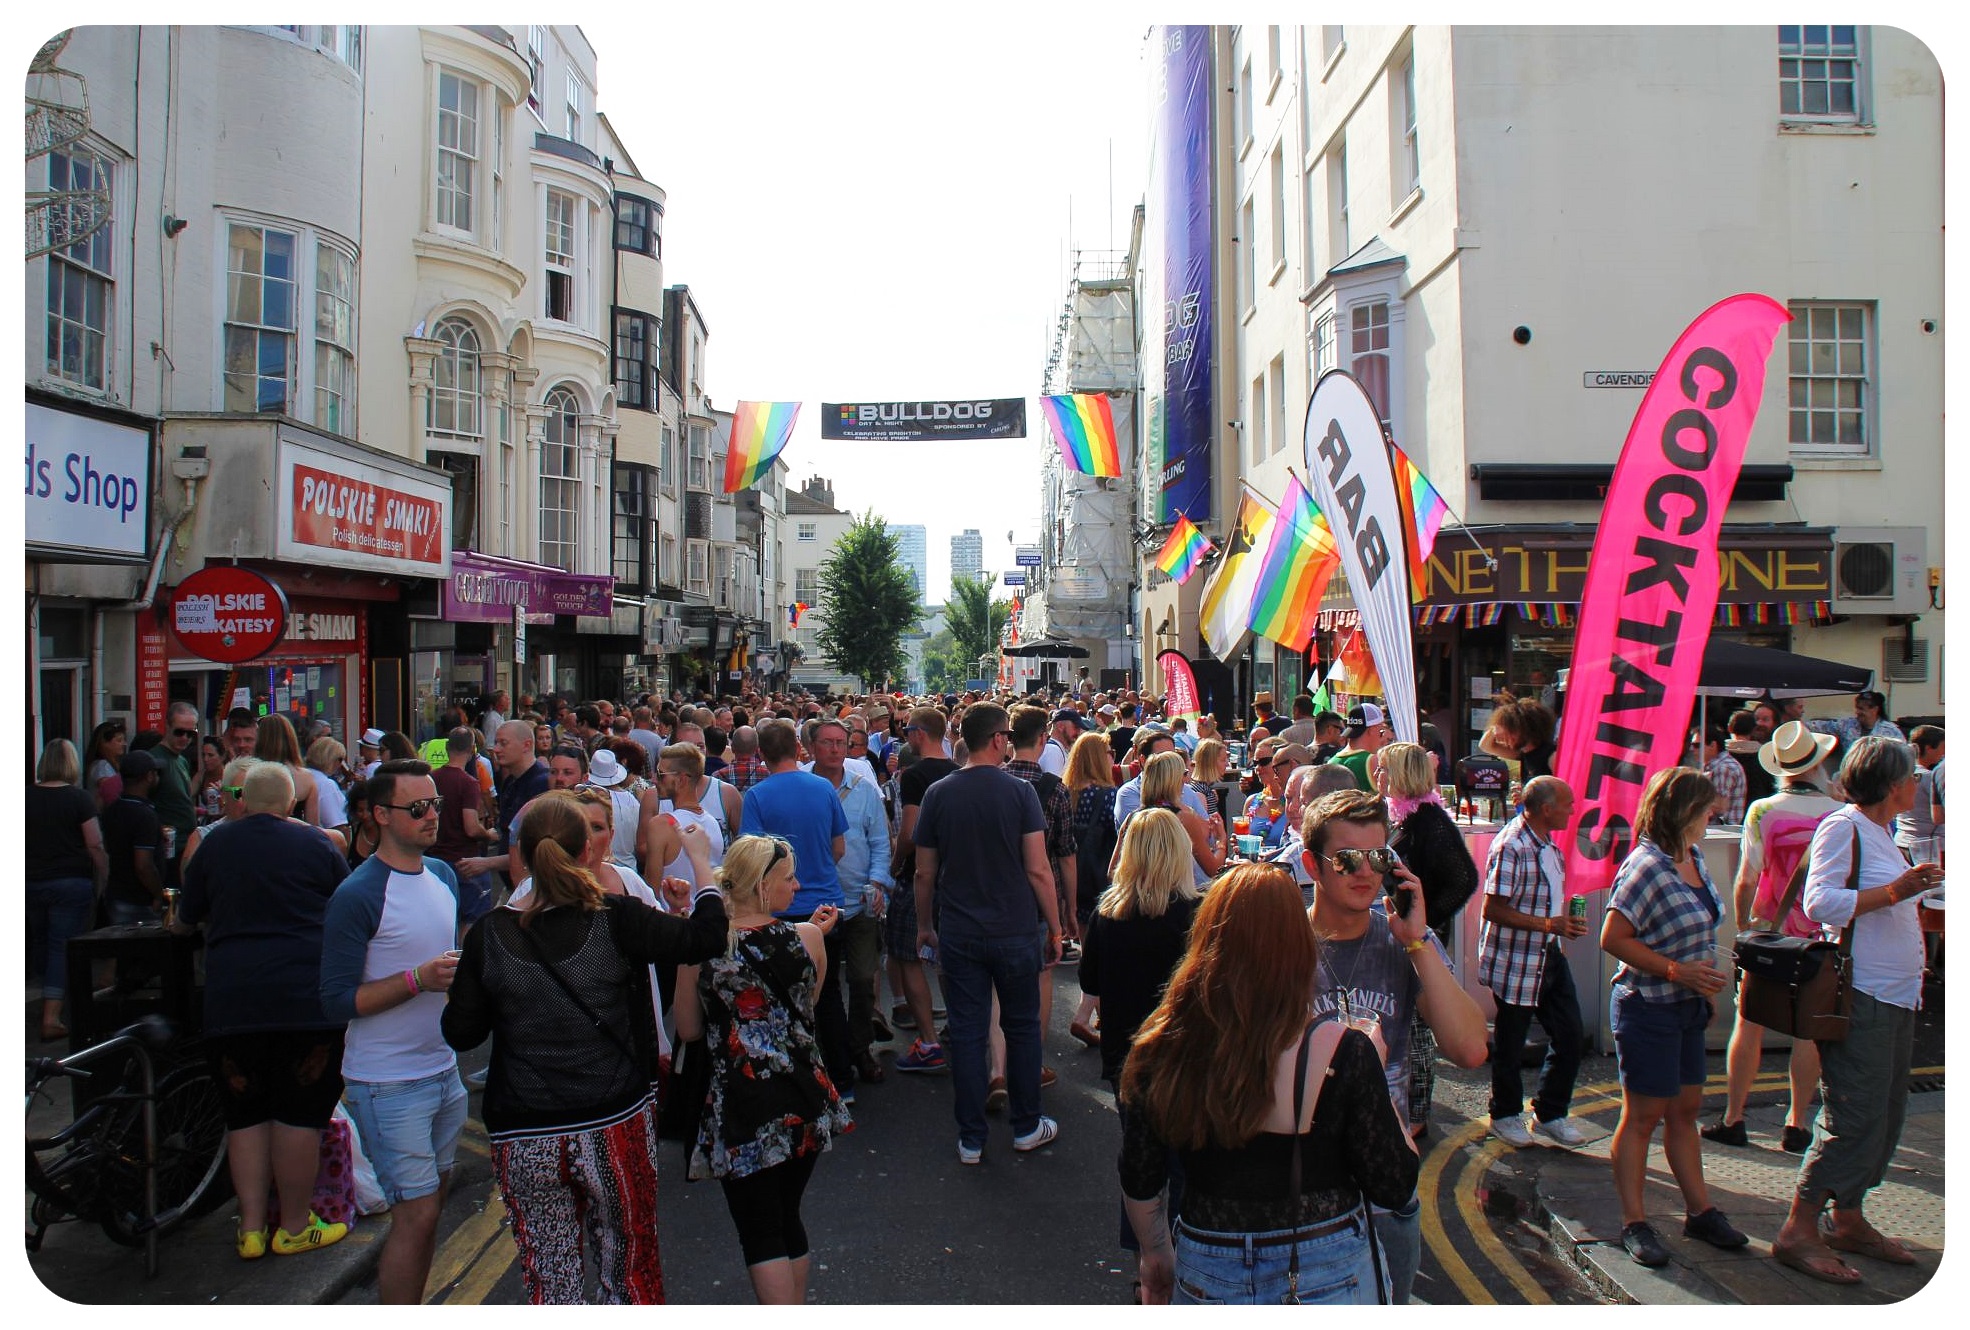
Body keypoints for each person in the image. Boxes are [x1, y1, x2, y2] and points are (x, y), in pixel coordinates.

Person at [441, 793, 728, 1304]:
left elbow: (461, 1033)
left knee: (551, 1275)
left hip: (525, 1129)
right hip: (612, 1119)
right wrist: (702, 862)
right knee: (629, 1265)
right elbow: (705, 938)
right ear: (585, 852)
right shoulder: (616, 918)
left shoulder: (490, 934)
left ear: (524, 856)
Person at [1120, 863, 1418, 1305]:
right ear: (1300, 949)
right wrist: (1378, 1076)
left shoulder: (1164, 1046)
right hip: (1327, 1267)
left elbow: (1142, 1177)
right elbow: (1394, 1185)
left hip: (1207, 1263)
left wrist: (1156, 1256)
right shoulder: (1345, 1052)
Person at [1300, 787, 1488, 1301]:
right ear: (1311, 865)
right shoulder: (1282, 941)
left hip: (1386, 1195)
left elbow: (1471, 1049)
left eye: (1378, 857)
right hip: (1301, 1194)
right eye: (1347, 859)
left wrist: (1418, 940)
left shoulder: (1403, 942)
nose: (1365, 871)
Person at [1768, 738, 1939, 1285]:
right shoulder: (1844, 827)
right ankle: (1799, 1229)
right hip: (1860, 992)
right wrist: (1896, 891)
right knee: (1853, 1113)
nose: (1919, 784)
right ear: (1894, 785)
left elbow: (1885, 902)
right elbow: (1819, 904)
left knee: (1885, 1114)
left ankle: (1848, 1217)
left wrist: (1915, 898)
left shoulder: (1881, 833)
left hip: (1893, 992)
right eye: (1913, 776)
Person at [178, 761, 351, 1259]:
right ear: (291, 803)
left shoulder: (213, 846)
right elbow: (344, 912)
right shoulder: (318, 845)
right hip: (304, 1003)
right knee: (298, 1115)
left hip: (232, 1002)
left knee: (245, 1115)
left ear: (244, 800)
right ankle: (294, 1225)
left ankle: (250, 1228)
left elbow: (185, 920)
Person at [672, 836, 853, 1304]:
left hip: (742, 1100)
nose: (797, 885)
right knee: (787, 1216)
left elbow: (688, 1029)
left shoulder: (704, 944)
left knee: (759, 1230)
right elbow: (805, 1009)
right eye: (788, 878)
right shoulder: (808, 938)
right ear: (763, 885)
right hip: (805, 1094)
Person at [318, 759, 466, 1304]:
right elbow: (336, 1000)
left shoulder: (444, 877)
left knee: (428, 1213)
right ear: (380, 815)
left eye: (436, 807)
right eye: (418, 808)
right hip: (386, 1082)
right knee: (418, 1211)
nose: (432, 818)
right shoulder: (357, 896)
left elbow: (448, 968)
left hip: (443, 1070)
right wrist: (416, 979)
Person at [1599, 766, 1749, 1267]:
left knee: (1684, 1111)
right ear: (1686, 810)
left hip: (1685, 1006)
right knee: (1642, 1116)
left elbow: (1703, 927)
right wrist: (1675, 971)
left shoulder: (1694, 855)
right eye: (1708, 805)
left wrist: (1699, 985)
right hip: (1648, 1007)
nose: (1717, 812)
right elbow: (1612, 939)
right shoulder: (1646, 866)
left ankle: (1700, 1211)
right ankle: (1633, 1223)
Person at [913, 703, 1066, 1163]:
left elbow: (924, 872)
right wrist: (1056, 926)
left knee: (967, 1030)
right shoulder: (1020, 794)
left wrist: (924, 925)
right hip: (1015, 929)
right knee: (1020, 1029)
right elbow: (1039, 869)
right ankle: (1025, 1125)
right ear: (999, 740)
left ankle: (971, 1138)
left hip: (959, 930)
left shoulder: (939, 794)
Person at [1704, 721, 1842, 1153]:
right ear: (1818, 764)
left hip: (1769, 932)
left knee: (1749, 1023)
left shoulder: (1763, 810)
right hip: (1820, 936)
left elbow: (1747, 878)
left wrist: (1744, 924)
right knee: (1808, 1030)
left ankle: (1734, 1117)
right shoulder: (1839, 812)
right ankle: (1797, 1124)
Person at [1077, 809, 1199, 1286]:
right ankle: (1187, 1259)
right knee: (1185, 1162)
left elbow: (1088, 980)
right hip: (1185, 1057)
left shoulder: (1109, 915)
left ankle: (1144, 1265)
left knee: (1138, 1161)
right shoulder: (1196, 915)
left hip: (1127, 1058)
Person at [741, 719, 854, 1095]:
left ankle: (790, 1083)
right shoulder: (823, 788)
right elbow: (839, 847)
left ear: (761, 754)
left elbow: (751, 858)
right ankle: (841, 1079)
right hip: (826, 904)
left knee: (777, 997)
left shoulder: (757, 796)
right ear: (799, 748)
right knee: (829, 994)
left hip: (779, 909)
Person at [1478, 776, 1590, 1148]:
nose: (1572, 810)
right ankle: (1505, 1114)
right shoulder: (1512, 845)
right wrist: (1548, 924)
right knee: (1511, 1043)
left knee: (1571, 1034)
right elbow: (1493, 908)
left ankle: (1549, 1113)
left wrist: (1557, 927)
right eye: (1567, 804)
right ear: (1546, 809)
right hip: (1518, 959)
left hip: (1548, 954)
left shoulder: (1544, 841)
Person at [1378, 742, 1480, 1139]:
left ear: (1404, 775)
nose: (1379, 777)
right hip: (1405, 933)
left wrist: (1425, 922)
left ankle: (1418, 1111)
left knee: (1421, 1028)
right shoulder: (1404, 816)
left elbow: (1464, 880)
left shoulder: (1431, 822)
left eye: (1385, 770)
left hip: (1420, 940)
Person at [807, 718, 892, 1095]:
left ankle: (858, 1049)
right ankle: (826, 1055)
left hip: (858, 901)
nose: (835, 749)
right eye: (827, 742)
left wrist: (877, 882)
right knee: (819, 988)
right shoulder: (804, 788)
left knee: (861, 979)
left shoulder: (863, 790)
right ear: (811, 747)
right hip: (812, 906)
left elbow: (880, 841)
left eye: (841, 742)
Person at [27, 739, 107, 1040]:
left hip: (31, 882)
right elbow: (94, 843)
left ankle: (50, 992)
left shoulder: (24, 797)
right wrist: (104, 873)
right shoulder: (79, 799)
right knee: (61, 945)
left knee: (41, 940)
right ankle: (52, 1014)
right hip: (70, 882)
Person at [101, 748, 167, 925]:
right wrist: (158, 894)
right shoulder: (144, 815)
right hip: (139, 901)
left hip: (116, 894)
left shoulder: (113, 809)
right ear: (149, 776)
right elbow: (143, 865)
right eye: (155, 772)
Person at [147, 702, 203, 884]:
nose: (185, 738)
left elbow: (182, 798)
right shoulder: (154, 760)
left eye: (190, 733)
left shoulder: (182, 760)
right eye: (179, 732)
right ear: (167, 726)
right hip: (169, 848)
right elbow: (143, 803)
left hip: (185, 844)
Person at [255, 714, 321, 827]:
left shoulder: (250, 775)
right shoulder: (306, 778)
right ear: (290, 738)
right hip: (294, 839)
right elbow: (313, 825)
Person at [1897, 725, 1945, 866]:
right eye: (1943, 747)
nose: (1944, 753)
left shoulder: (1901, 775)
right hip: (1930, 849)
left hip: (1902, 843)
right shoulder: (1931, 777)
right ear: (1929, 748)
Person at [1480, 696, 1559, 781]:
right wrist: (1496, 725)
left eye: (1508, 733)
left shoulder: (1551, 756)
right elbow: (1485, 746)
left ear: (1523, 729)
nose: (1501, 739)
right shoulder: (1522, 754)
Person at [1331, 703, 1393, 793]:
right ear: (1371, 731)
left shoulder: (1332, 762)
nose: (1382, 738)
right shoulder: (1375, 761)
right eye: (1381, 731)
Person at [1725, 709, 1778, 807]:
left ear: (1729, 728)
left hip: (1727, 815)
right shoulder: (1764, 756)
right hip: (1757, 810)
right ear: (1753, 730)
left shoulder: (1722, 756)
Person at [305, 736, 352, 837]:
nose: (340, 765)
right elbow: (338, 827)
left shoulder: (304, 777)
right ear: (331, 758)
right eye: (340, 759)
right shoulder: (326, 784)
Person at [1700, 725, 1747, 824]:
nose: (1692, 749)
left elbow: (1719, 806)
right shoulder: (1719, 765)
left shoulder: (1722, 768)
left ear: (1713, 745)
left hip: (1721, 832)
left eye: (1697, 745)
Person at [83, 719, 129, 809]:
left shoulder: (106, 764)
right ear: (104, 743)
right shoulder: (102, 766)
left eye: (124, 740)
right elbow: (110, 794)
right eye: (119, 740)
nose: (124, 744)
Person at [194, 735, 228, 825]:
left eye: (210, 755)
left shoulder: (231, 776)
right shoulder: (202, 775)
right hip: (208, 824)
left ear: (222, 756)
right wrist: (201, 811)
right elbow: (185, 797)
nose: (205, 759)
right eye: (203, 755)